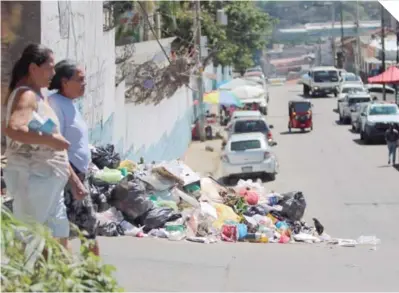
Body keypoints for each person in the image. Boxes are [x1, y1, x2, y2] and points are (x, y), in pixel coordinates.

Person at [2, 44, 71, 246]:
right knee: (29, 240)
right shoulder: (26, 95)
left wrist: (72, 179)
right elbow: (14, 128)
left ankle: (57, 278)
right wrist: (51, 140)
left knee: (58, 238)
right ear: (33, 68)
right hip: (34, 179)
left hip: (50, 180)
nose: (54, 72)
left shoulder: (38, 96)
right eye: (50, 67)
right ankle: (20, 278)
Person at [48, 60, 100, 256]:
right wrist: (75, 181)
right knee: (79, 230)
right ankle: (89, 277)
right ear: (64, 81)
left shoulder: (71, 104)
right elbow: (55, 146)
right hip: (68, 176)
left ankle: (88, 276)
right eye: (80, 80)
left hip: (79, 174)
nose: (84, 84)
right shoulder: (55, 105)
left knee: (83, 230)